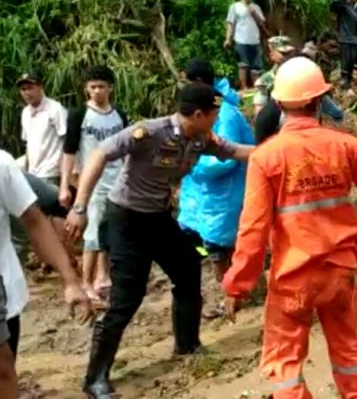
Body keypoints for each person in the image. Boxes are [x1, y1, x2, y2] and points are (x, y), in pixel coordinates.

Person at [64, 84, 255, 399]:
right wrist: (80, 206)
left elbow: (234, 151)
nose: (217, 118)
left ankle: (187, 344)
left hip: (158, 218)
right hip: (126, 219)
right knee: (128, 296)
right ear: (198, 114)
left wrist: (280, 149)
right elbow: (100, 153)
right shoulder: (148, 132)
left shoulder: (201, 138)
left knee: (188, 266)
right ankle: (95, 377)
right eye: (214, 113)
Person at [222, 57, 357, 398]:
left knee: (285, 365)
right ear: (319, 100)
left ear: (279, 102)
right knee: (348, 354)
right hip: (339, 272)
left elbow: (253, 229)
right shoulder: (344, 145)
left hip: (292, 276)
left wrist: (237, 285)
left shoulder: (266, 157)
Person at [0, 149, 91, 397]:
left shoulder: (2, 166)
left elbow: (35, 220)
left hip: (5, 294)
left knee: (4, 370)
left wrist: (70, 280)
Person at [177, 59, 255, 318]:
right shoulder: (208, 110)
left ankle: (231, 296)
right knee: (207, 246)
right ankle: (239, 290)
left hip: (223, 196)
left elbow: (224, 159)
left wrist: (190, 166)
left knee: (218, 250)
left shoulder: (224, 114)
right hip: (207, 198)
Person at [61, 66, 128, 304]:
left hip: (118, 179)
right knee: (92, 235)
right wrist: (64, 185)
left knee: (110, 230)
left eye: (101, 86)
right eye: (92, 87)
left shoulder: (118, 114)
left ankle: (103, 276)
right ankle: (86, 282)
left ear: (110, 87)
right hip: (93, 182)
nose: (97, 91)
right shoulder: (79, 115)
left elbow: (127, 147)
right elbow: (69, 151)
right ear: (86, 89)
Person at [18, 71, 67, 185]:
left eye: (30, 88)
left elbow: (68, 141)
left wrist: (66, 177)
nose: (27, 92)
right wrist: (26, 169)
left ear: (40, 87)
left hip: (51, 172)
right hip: (32, 173)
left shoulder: (55, 109)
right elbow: (28, 144)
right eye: (23, 89)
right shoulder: (25, 112)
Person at [224, 0, 269, 92]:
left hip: (255, 41)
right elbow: (231, 24)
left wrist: (254, 13)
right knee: (242, 66)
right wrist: (228, 39)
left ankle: (257, 89)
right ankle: (243, 88)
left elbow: (262, 23)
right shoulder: (235, 7)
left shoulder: (256, 7)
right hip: (241, 40)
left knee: (256, 68)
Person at [330, 0, 357, 90]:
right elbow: (334, 3)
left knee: (352, 62)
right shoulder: (343, 6)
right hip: (346, 38)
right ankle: (344, 84)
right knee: (346, 63)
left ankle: (348, 83)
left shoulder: (355, 7)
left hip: (355, 39)